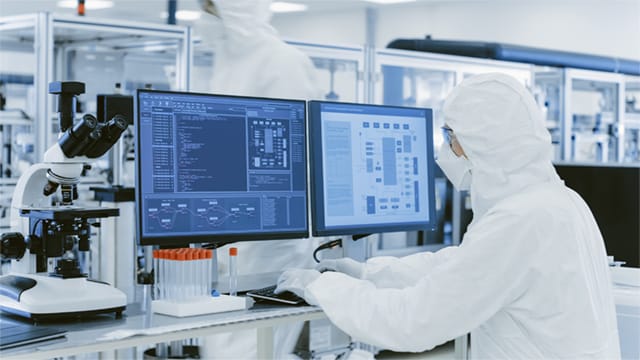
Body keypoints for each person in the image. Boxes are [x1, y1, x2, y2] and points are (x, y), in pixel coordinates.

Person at [276, 73, 621, 359]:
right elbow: (463, 267)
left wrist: (321, 287)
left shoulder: (519, 221)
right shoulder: (558, 201)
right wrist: (370, 273)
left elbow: (412, 322)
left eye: (451, 137)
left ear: (486, 143)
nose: (445, 151)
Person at [193, 0, 323, 358]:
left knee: (253, 346)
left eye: (210, 8)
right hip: (231, 236)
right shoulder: (227, 62)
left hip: (271, 241)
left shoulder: (281, 63)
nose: (204, 17)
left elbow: (291, 156)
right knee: (225, 339)